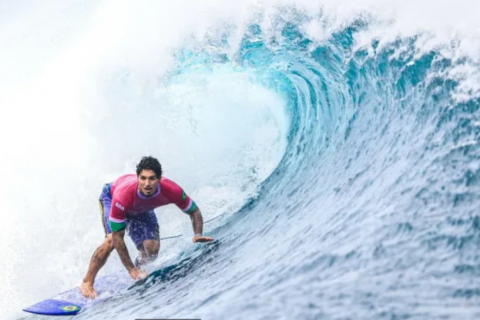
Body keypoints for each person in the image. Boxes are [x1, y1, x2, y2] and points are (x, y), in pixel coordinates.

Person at [79, 156, 214, 299]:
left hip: (141, 208)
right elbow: (119, 237)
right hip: (111, 199)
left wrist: (198, 234)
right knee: (111, 239)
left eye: (152, 178)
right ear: (137, 177)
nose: (147, 183)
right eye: (142, 178)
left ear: (159, 178)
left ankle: (140, 266)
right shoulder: (122, 196)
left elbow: (194, 211)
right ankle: (87, 281)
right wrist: (130, 269)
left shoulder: (171, 190)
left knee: (152, 249)